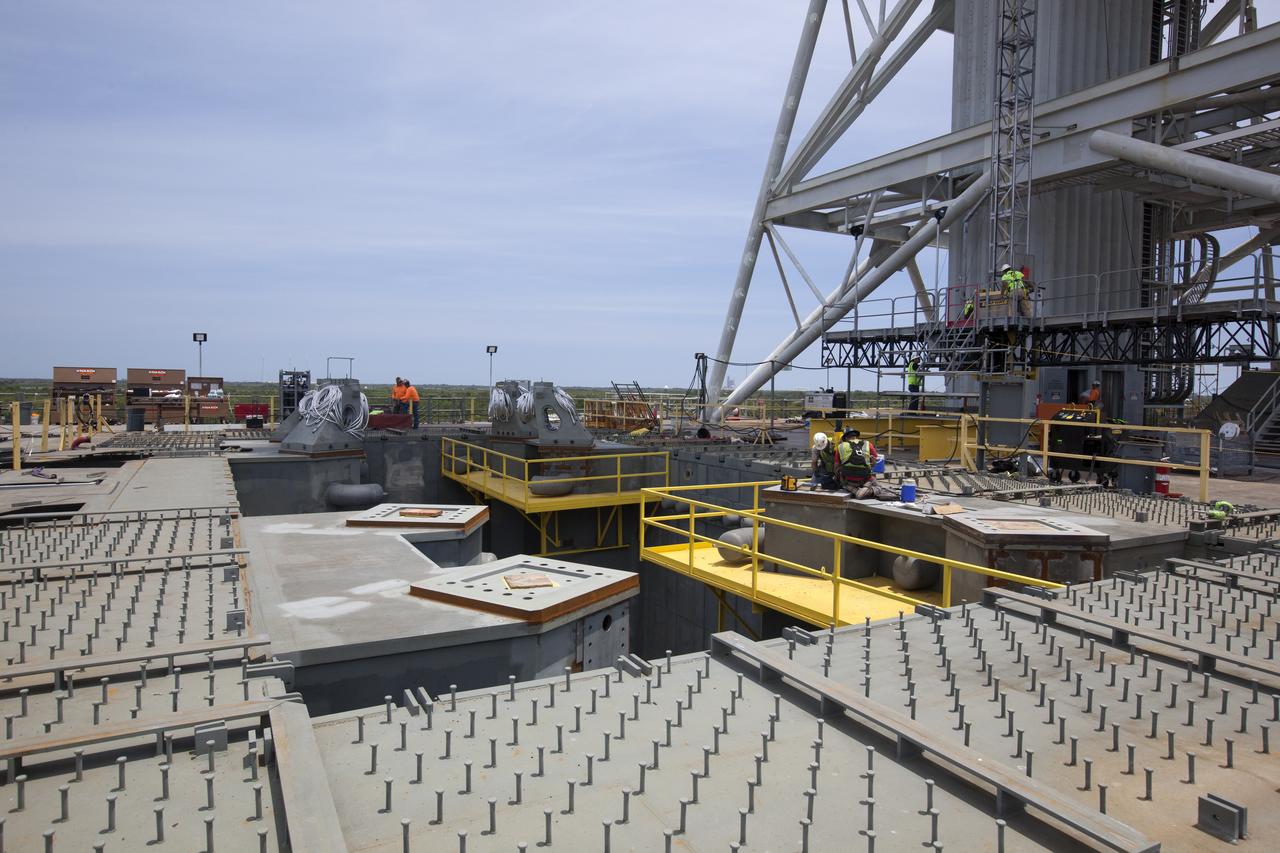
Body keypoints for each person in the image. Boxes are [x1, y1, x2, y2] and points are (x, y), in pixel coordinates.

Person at [836, 428, 879, 495]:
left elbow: (836, 465)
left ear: (846, 438)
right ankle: (866, 489)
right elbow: (875, 459)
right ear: (856, 436)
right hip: (864, 477)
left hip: (848, 478)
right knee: (878, 486)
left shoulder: (840, 446)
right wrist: (870, 464)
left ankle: (854, 490)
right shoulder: (868, 444)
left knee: (839, 474)